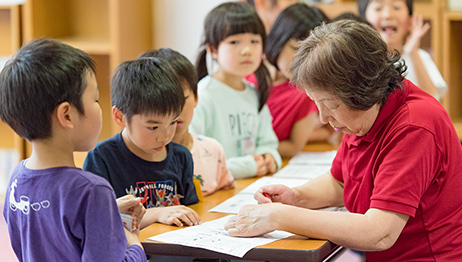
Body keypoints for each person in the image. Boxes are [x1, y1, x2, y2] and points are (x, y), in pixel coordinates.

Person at [224, 20, 462, 261]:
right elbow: (341, 182)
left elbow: (379, 233)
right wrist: (297, 197)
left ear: (363, 90)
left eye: (331, 105)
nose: (324, 117)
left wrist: (278, 216)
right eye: (318, 104)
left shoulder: (415, 126)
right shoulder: (361, 116)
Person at [0, 38, 146, 261]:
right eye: (95, 99)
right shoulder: (92, 190)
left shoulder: (17, 180)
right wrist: (134, 244)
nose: (100, 107)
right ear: (67, 115)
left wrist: (106, 215)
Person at [83, 57, 201, 228]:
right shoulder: (102, 158)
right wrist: (155, 214)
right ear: (120, 117)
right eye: (153, 127)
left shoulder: (181, 157)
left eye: (173, 122)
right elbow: (97, 222)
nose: (165, 136)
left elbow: (190, 211)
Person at [191, 2, 282, 179]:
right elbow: (195, 160)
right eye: (234, 42)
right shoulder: (203, 96)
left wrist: (269, 157)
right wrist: (247, 166)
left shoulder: (254, 94)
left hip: (251, 186)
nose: (247, 50)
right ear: (213, 49)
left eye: (254, 41)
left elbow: (268, 142)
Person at [138, 48, 235, 196]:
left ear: (196, 97)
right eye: (163, 102)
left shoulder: (212, 151)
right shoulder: (135, 159)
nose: (174, 112)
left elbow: (226, 195)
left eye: (182, 100)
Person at [246, 3, 334, 158]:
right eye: (295, 49)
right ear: (278, 40)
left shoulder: (307, 94)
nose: (302, 61)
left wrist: (246, 152)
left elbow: (293, 146)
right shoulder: (246, 71)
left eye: (311, 53)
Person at [358, 0, 448, 101]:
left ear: (410, 21)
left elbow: (433, 99)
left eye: (396, 7)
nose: (388, 15)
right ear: (363, 21)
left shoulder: (420, 56)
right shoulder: (360, 60)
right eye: (378, 8)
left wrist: (413, 53)